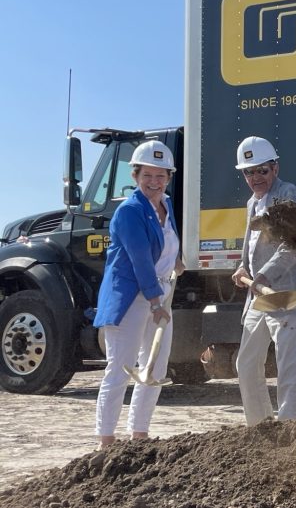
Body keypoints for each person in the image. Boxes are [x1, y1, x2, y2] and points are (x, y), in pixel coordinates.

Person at [94, 140, 184, 448]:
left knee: (155, 367)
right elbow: (140, 259)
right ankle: (106, 441)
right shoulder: (129, 210)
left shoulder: (165, 204)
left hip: (160, 291)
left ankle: (140, 435)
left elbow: (166, 240)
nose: (154, 182)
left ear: (169, 178)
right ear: (135, 176)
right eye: (147, 175)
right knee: (120, 368)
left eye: (160, 176)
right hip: (132, 297)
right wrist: (156, 301)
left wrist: (176, 258)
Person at [230, 136, 296, 426]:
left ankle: (292, 429)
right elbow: (251, 247)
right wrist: (242, 268)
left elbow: (292, 246)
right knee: (246, 362)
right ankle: (261, 426)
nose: (256, 177)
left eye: (262, 170)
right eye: (249, 172)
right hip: (260, 295)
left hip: (287, 295)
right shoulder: (251, 203)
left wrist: (263, 275)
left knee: (287, 364)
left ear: (275, 168)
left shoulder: (288, 194)